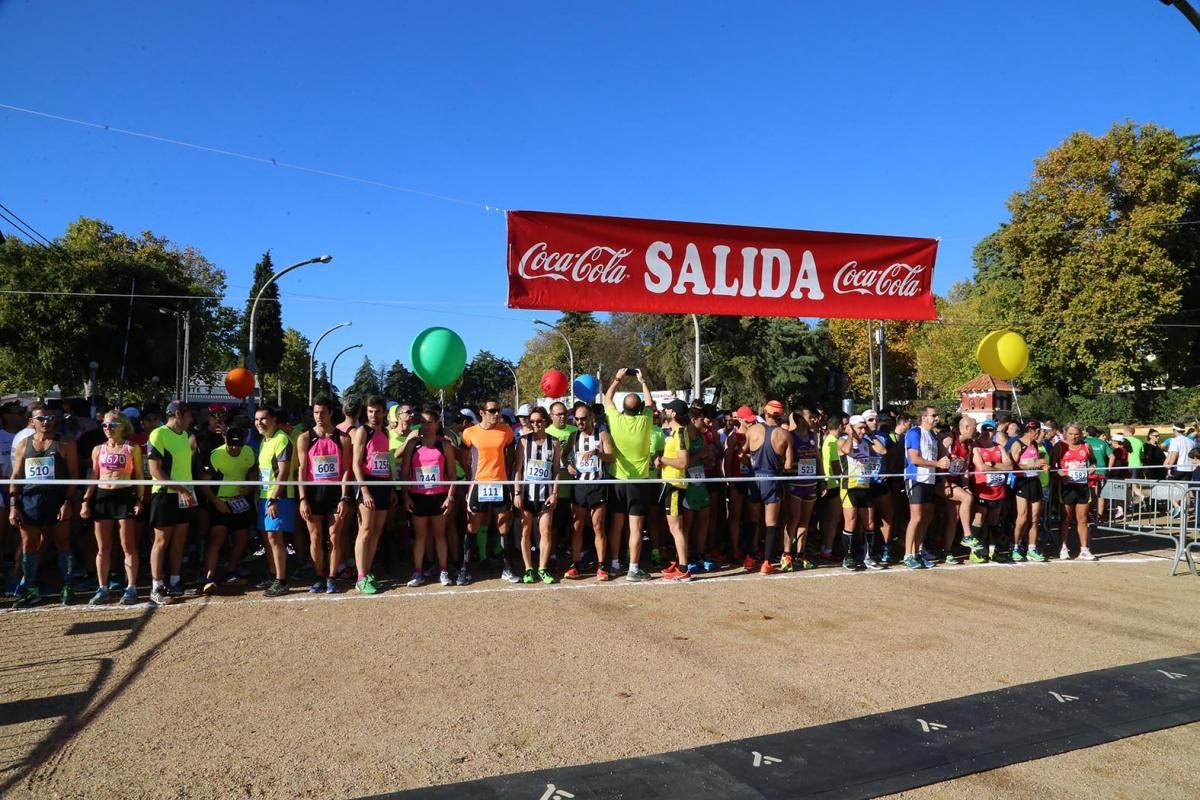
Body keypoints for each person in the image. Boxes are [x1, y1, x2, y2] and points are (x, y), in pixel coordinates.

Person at [8, 402, 80, 607]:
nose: (46, 423)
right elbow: (16, 475)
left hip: (57, 500)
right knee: (29, 544)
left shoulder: (65, 443)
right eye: (41, 419)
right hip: (31, 500)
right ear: (32, 421)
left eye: (49, 418)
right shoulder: (24, 444)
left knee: (62, 542)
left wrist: (67, 502)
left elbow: (74, 475)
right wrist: (13, 505)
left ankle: (68, 586)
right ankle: (30, 588)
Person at [81, 411, 144, 604]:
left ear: (123, 426)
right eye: (105, 426)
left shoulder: (132, 448)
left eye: (113, 425)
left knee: (127, 545)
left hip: (124, 495)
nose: (108, 429)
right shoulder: (98, 449)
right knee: (103, 547)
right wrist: (86, 500)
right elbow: (94, 475)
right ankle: (102, 587)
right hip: (102, 496)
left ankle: (131, 587)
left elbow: (139, 476)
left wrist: (139, 499)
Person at [604, 368, 656, 581]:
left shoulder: (615, 419)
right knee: (636, 527)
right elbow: (650, 403)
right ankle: (633, 569)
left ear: (623, 407)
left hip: (618, 480)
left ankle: (615, 563)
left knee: (617, 525)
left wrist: (617, 379)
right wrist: (642, 381)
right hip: (638, 482)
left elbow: (607, 398)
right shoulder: (646, 420)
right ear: (640, 408)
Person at [296, 398, 353, 594]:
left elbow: (346, 469)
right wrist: (302, 499)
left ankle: (332, 577)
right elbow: (302, 470)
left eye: (323, 413)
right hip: (313, 493)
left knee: (335, 537)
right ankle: (319, 575)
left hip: (335, 493)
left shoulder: (343, 438)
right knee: (315, 536)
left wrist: (344, 497)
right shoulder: (305, 438)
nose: (319, 417)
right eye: (316, 413)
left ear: (330, 413)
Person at [461, 399, 518, 584]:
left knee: (503, 527)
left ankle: (507, 568)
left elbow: (510, 455)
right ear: (482, 412)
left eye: (498, 410)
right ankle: (465, 569)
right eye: (492, 410)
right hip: (479, 484)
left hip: (500, 484)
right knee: (472, 527)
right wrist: (472, 476)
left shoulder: (506, 431)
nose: (496, 414)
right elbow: (463, 458)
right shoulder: (469, 433)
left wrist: (505, 475)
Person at [399, 407, 458, 587]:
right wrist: (406, 496)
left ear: (437, 424)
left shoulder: (444, 445)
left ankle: (443, 571)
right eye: (422, 422)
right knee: (421, 536)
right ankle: (418, 573)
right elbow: (405, 473)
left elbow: (453, 474)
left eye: (429, 423)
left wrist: (450, 497)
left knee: (440, 535)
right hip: (418, 496)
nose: (426, 426)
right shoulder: (413, 444)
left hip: (439, 496)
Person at [146, 401, 197, 605]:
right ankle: (156, 586)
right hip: (165, 494)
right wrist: (181, 489)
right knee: (161, 541)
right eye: (188, 415)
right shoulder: (158, 434)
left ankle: (175, 580)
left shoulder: (185, 436)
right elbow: (155, 470)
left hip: (185, 494)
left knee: (179, 540)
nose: (191, 419)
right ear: (178, 414)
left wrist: (187, 490)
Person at [199, 425, 256, 593]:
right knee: (217, 538)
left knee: (242, 537)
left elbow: (253, 473)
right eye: (231, 444)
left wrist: (248, 489)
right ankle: (209, 577)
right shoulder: (216, 455)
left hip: (240, 502)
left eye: (238, 445)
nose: (234, 448)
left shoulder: (250, 452)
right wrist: (217, 502)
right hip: (220, 502)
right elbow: (204, 483)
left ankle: (231, 571)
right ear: (225, 440)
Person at [564, 403, 614, 579]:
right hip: (579, 485)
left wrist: (597, 453)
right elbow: (564, 456)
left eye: (583, 419)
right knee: (577, 527)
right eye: (576, 419)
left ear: (591, 418)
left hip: (597, 485)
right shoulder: (573, 436)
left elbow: (612, 457)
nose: (580, 422)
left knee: (598, 526)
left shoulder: (601, 434)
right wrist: (568, 466)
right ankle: (575, 564)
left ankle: (601, 566)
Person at [744, 400, 793, 573]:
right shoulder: (785, 435)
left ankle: (749, 558)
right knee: (771, 523)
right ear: (780, 415)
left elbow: (742, 453)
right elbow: (788, 465)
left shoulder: (753, 430)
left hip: (754, 479)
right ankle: (766, 562)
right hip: (772, 479)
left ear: (765, 412)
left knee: (753, 521)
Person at [513, 406, 561, 584]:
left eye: (539, 421)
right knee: (525, 531)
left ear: (546, 421)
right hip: (526, 493)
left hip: (546, 494)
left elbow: (556, 470)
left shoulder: (554, 442)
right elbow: (518, 469)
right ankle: (528, 568)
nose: (535, 424)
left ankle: (542, 567)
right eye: (532, 421)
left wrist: (555, 493)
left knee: (546, 531)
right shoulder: (524, 442)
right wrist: (517, 492)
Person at [351, 396, 394, 594]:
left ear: (384, 412)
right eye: (370, 411)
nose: (374, 415)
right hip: (368, 483)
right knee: (365, 530)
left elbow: (385, 460)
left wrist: (391, 487)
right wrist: (364, 489)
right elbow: (356, 463)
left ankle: (367, 572)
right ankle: (360, 577)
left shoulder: (385, 432)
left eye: (377, 411)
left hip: (383, 484)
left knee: (376, 532)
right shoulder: (362, 431)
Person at [254, 406, 295, 597]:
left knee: (275, 539)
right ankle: (273, 575)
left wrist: (274, 498)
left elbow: (283, 472)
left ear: (273, 420)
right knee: (267, 539)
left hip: (279, 497)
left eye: (263, 419)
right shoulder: (264, 441)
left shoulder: (281, 439)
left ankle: (281, 580)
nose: (259, 423)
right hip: (264, 497)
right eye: (256, 419)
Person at [838, 415, 887, 571]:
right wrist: (851, 434)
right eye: (860, 427)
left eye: (864, 427)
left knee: (870, 522)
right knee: (850, 522)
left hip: (864, 486)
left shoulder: (866, 442)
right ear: (851, 428)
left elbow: (882, 450)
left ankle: (868, 556)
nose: (862, 430)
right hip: (849, 487)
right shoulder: (843, 440)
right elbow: (845, 450)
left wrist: (870, 434)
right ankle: (848, 556)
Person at [903, 406, 948, 570]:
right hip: (916, 478)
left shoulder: (933, 435)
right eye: (933, 415)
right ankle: (908, 554)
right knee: (916, 517)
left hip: (929, 479)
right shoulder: (915, 433)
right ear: (924, 417)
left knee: (927, 517)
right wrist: (938, 464)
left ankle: (918, 551)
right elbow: (914, 458)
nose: (937, 418)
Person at [654, 398, 693, 581]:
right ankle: (679, 562)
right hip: (670, 483)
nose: (665, 411)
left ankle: (684, 568)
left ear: (674, 413)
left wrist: (663, 460)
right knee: (675, 527)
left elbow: (683, 462)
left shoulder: (680, 433)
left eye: (668, 409)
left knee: (676, 527)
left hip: (675, 484)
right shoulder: (675, 433)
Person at [1051, 422, 1098, 561]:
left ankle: (1084, 549)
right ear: (1065, 433)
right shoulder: (1060, 446)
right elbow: (1052, 465)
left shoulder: (1086, 446)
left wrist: (1092, 467)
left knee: (1083, 518)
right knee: (1066, 518)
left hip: (1082, 485)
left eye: (1076, 434)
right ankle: (1063, 547)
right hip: (1066, 486)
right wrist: (1058, 473)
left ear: (1081, 434)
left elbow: (1093, 461)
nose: (1073, 437)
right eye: (1070, 434)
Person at [970, 421, 1014, 563]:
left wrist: (994, 465)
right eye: (984, 429)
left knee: (994, 521)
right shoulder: (976, 446)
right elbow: (981, 467)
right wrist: (999, 467)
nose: (987, 432)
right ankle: (976, 551)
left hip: (998, 490)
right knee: (979, 520)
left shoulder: (999, 447)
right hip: (983, 490)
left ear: (994, 432)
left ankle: (995, 551)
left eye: (990, 430)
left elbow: (1010, 466)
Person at [784, 410, 820, 571]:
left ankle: (801, 553)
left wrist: (822, 479)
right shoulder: (790, 435)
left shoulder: (814, 436)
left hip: (810, 483)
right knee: (793, 519)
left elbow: (817, 457)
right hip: (795, 483)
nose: (814, 419)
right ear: (799, 419)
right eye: (810, 417)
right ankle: (786, 554)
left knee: (805, 520)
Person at [1009, 420, 1049, 562]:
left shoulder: (1034, 445)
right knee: (1023, 516)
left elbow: (1036, 462)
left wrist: (1042, 466)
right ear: (1031, 430)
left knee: (1035, 518)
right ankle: (1015, 546)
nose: (1039, 434)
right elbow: (1013, 466)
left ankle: (1032, 548)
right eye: (1037, 431)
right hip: (1022, 482)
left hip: (1034, 481)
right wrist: (1035, 464)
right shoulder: (1017, 444)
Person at [724, 406, 758, 566]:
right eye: (748, 420)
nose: (751, 423)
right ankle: (735, 549)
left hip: (752, 480)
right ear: (740, 420)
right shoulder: (733, 437)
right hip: (737, 481)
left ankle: (752, 548)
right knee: (735, 516)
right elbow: (727, 461)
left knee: (752, 516)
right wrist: (730, 482)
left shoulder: (756, 434)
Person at [544, 401, 578, 558]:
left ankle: (574, 551)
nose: (563, 417)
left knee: (575, 522)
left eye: (565, 413)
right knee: (554, 524)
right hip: (554, 486)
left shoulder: (575, 430)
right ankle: (552, 554)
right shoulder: (546, 433)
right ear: (551, 416)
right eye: (559, 414)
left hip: (573, 484)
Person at [817, 416, 843, 562]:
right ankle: (828, 548)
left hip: (828, 481)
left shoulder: (827, 439)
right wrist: (843, 476)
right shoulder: (833, 441)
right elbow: (834, 463)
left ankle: (826, 547)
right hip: (834, 483)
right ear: (840, 427)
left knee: (828, 519)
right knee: (834, 519)